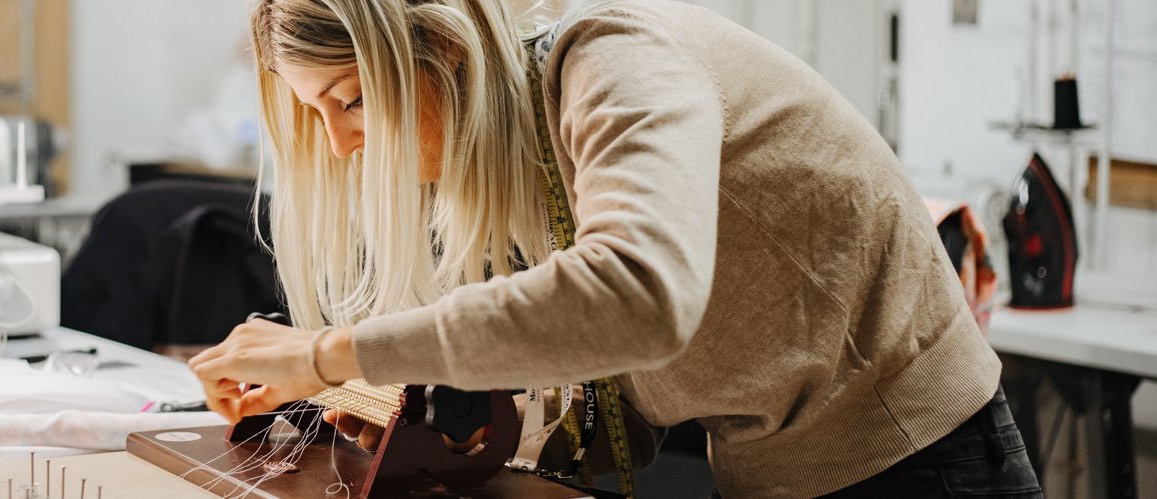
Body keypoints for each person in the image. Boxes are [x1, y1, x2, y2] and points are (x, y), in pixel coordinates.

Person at [187, 0, 1044, 497]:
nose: (340, 147)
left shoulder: (613, 66)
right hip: (772, 469)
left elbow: (637, 296)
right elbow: (598, 361)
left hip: (915, 461)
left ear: (442, 49)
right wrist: (450, 416)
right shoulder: (519, 150)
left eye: (350, 103)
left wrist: (330, 354)